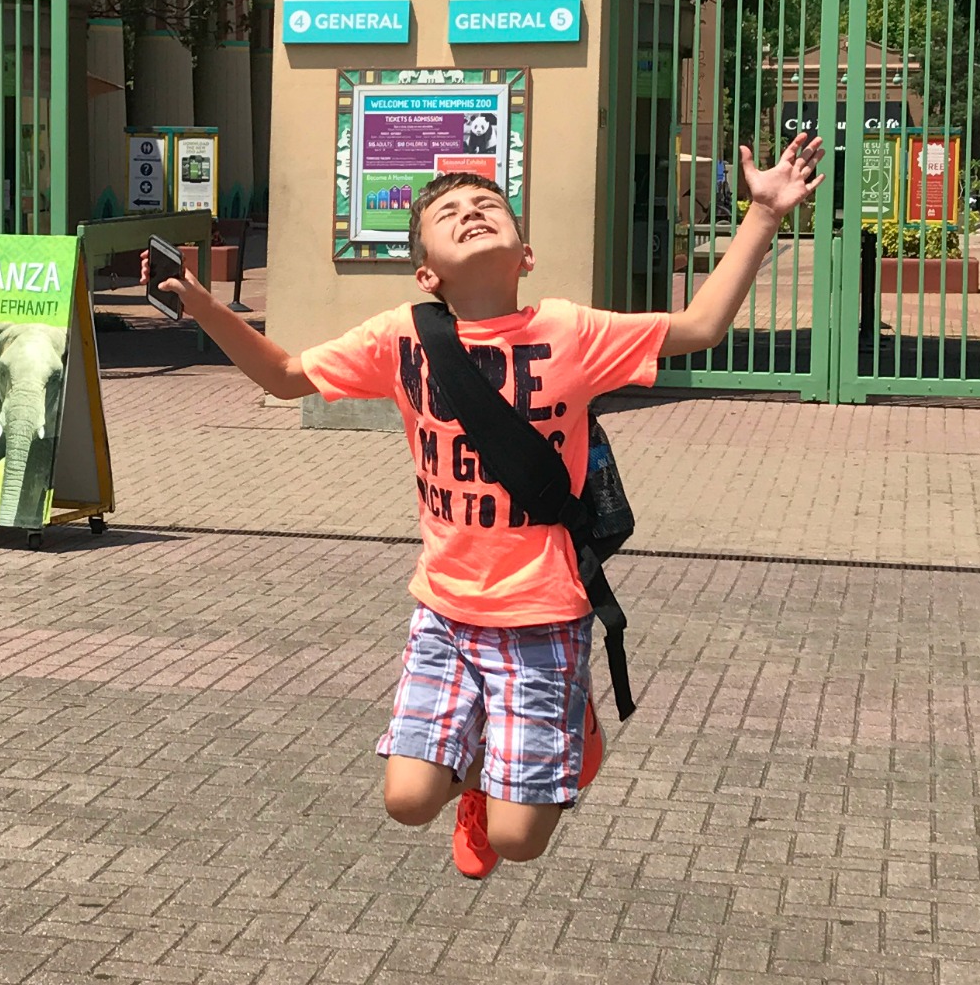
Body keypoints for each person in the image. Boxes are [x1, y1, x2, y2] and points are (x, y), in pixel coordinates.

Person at [158, 133, 825, 882]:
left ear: (526, 254)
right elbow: (283, 376)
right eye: (451, 213)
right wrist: (203, 305)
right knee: (407, 802)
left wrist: (764, 213)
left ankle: (558, 737)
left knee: (517, 842)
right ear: (425, 270)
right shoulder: (402, 338)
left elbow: (700, 327)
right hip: (443, 610)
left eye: (488, 205)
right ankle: (478, 776)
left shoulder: (571, 331)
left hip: (543, 614)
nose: (473, 212)